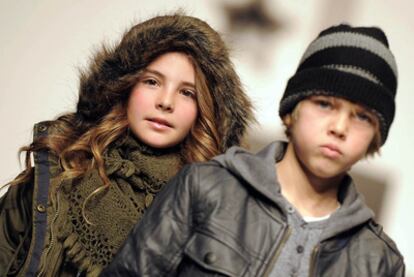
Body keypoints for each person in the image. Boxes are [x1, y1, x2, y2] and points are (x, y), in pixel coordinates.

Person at [102, 24, 405, 276]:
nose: (339, 127)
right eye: (324, 104)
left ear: (375, 138)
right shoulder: (206, 188)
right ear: (292, 110)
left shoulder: (379, 261)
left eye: (362, 116)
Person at [0, 14, 253, 276]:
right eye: (152, 81)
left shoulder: (217, 209)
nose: (166, 102)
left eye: (187, 92)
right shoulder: (59, 169)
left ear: (204, 110)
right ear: (125, 87)